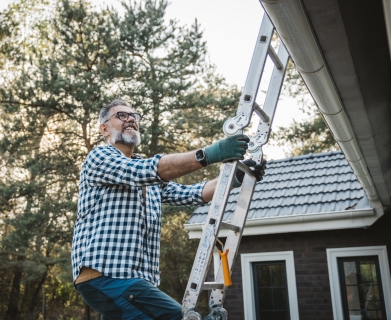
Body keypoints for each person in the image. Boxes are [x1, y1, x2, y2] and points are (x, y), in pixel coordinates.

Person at [71, 100, 266, 320]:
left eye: (133, 115)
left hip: (132, 280)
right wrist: (209, 154)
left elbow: (192, 194)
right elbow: (145, 170)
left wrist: (232, 178)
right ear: (104, 129)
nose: (131, 119)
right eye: (122, 116)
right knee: (175, 316)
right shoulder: (99, 158)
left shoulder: (146, 176)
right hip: (107, 276)